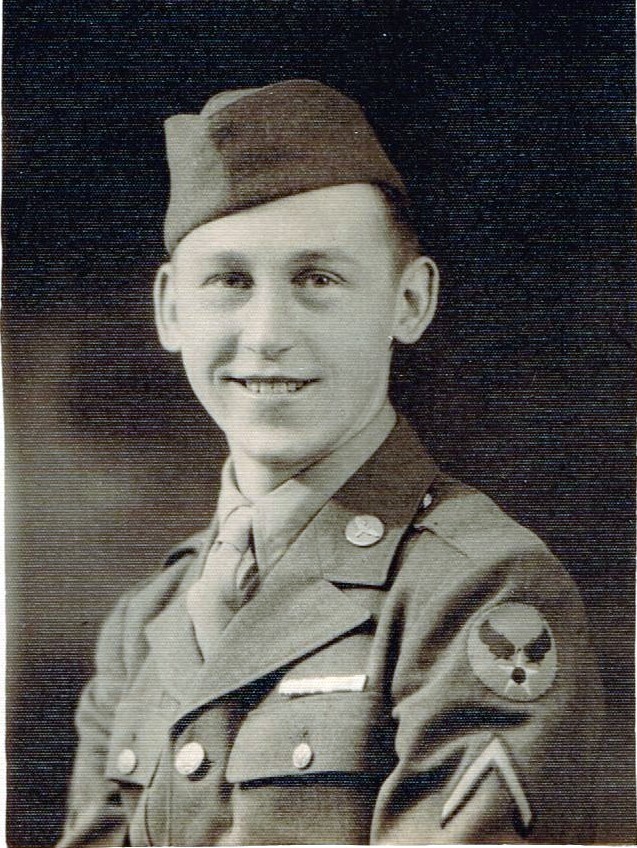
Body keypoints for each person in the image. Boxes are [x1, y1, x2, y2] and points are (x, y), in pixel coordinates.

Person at [57, 79, 604, 846]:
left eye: (317, 279)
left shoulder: (475, 588)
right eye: (229, 281)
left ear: (408, 302)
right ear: (171, 310)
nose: (267, 333)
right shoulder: (145, 620)